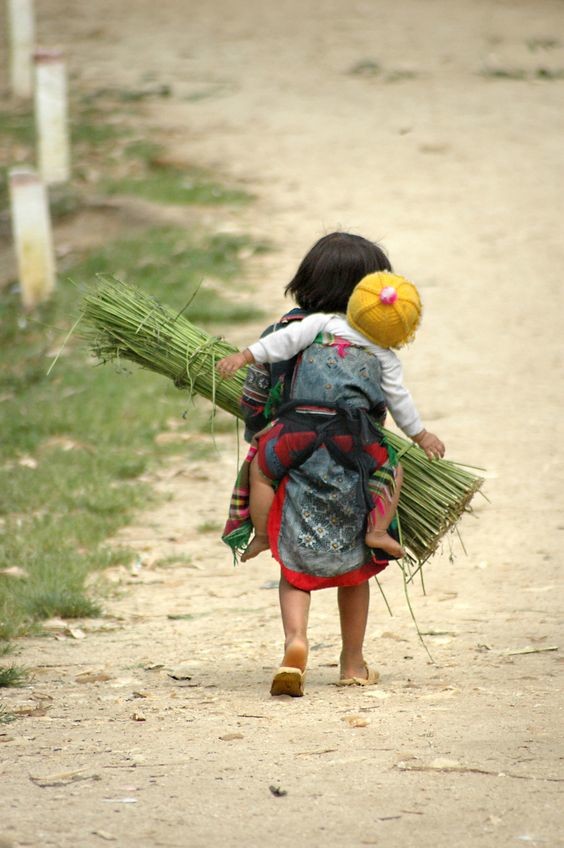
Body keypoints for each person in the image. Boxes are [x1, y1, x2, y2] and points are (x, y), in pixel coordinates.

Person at [219, 232, 445, 697]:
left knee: (274, 506)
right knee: (357, 565)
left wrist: (259, 430)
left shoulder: (297, 326)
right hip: (352, 453)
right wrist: (418, 435)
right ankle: (353, 662)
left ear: (307, 279)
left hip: (295, 442)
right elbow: (391, 402)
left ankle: (293, 634)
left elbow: (258, 384)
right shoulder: (379, 346)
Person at [217, 270, 444, 562]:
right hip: (349, 438)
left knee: (260, 469)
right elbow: (400, 401)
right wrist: (421, 435)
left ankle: (261, 535)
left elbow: (282, 341)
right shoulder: (386, 358)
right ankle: (376, 531)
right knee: (392, 470)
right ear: (404, 332)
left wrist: (245, 356)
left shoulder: (321, 324)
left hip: (296, 430)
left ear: (354, 303)